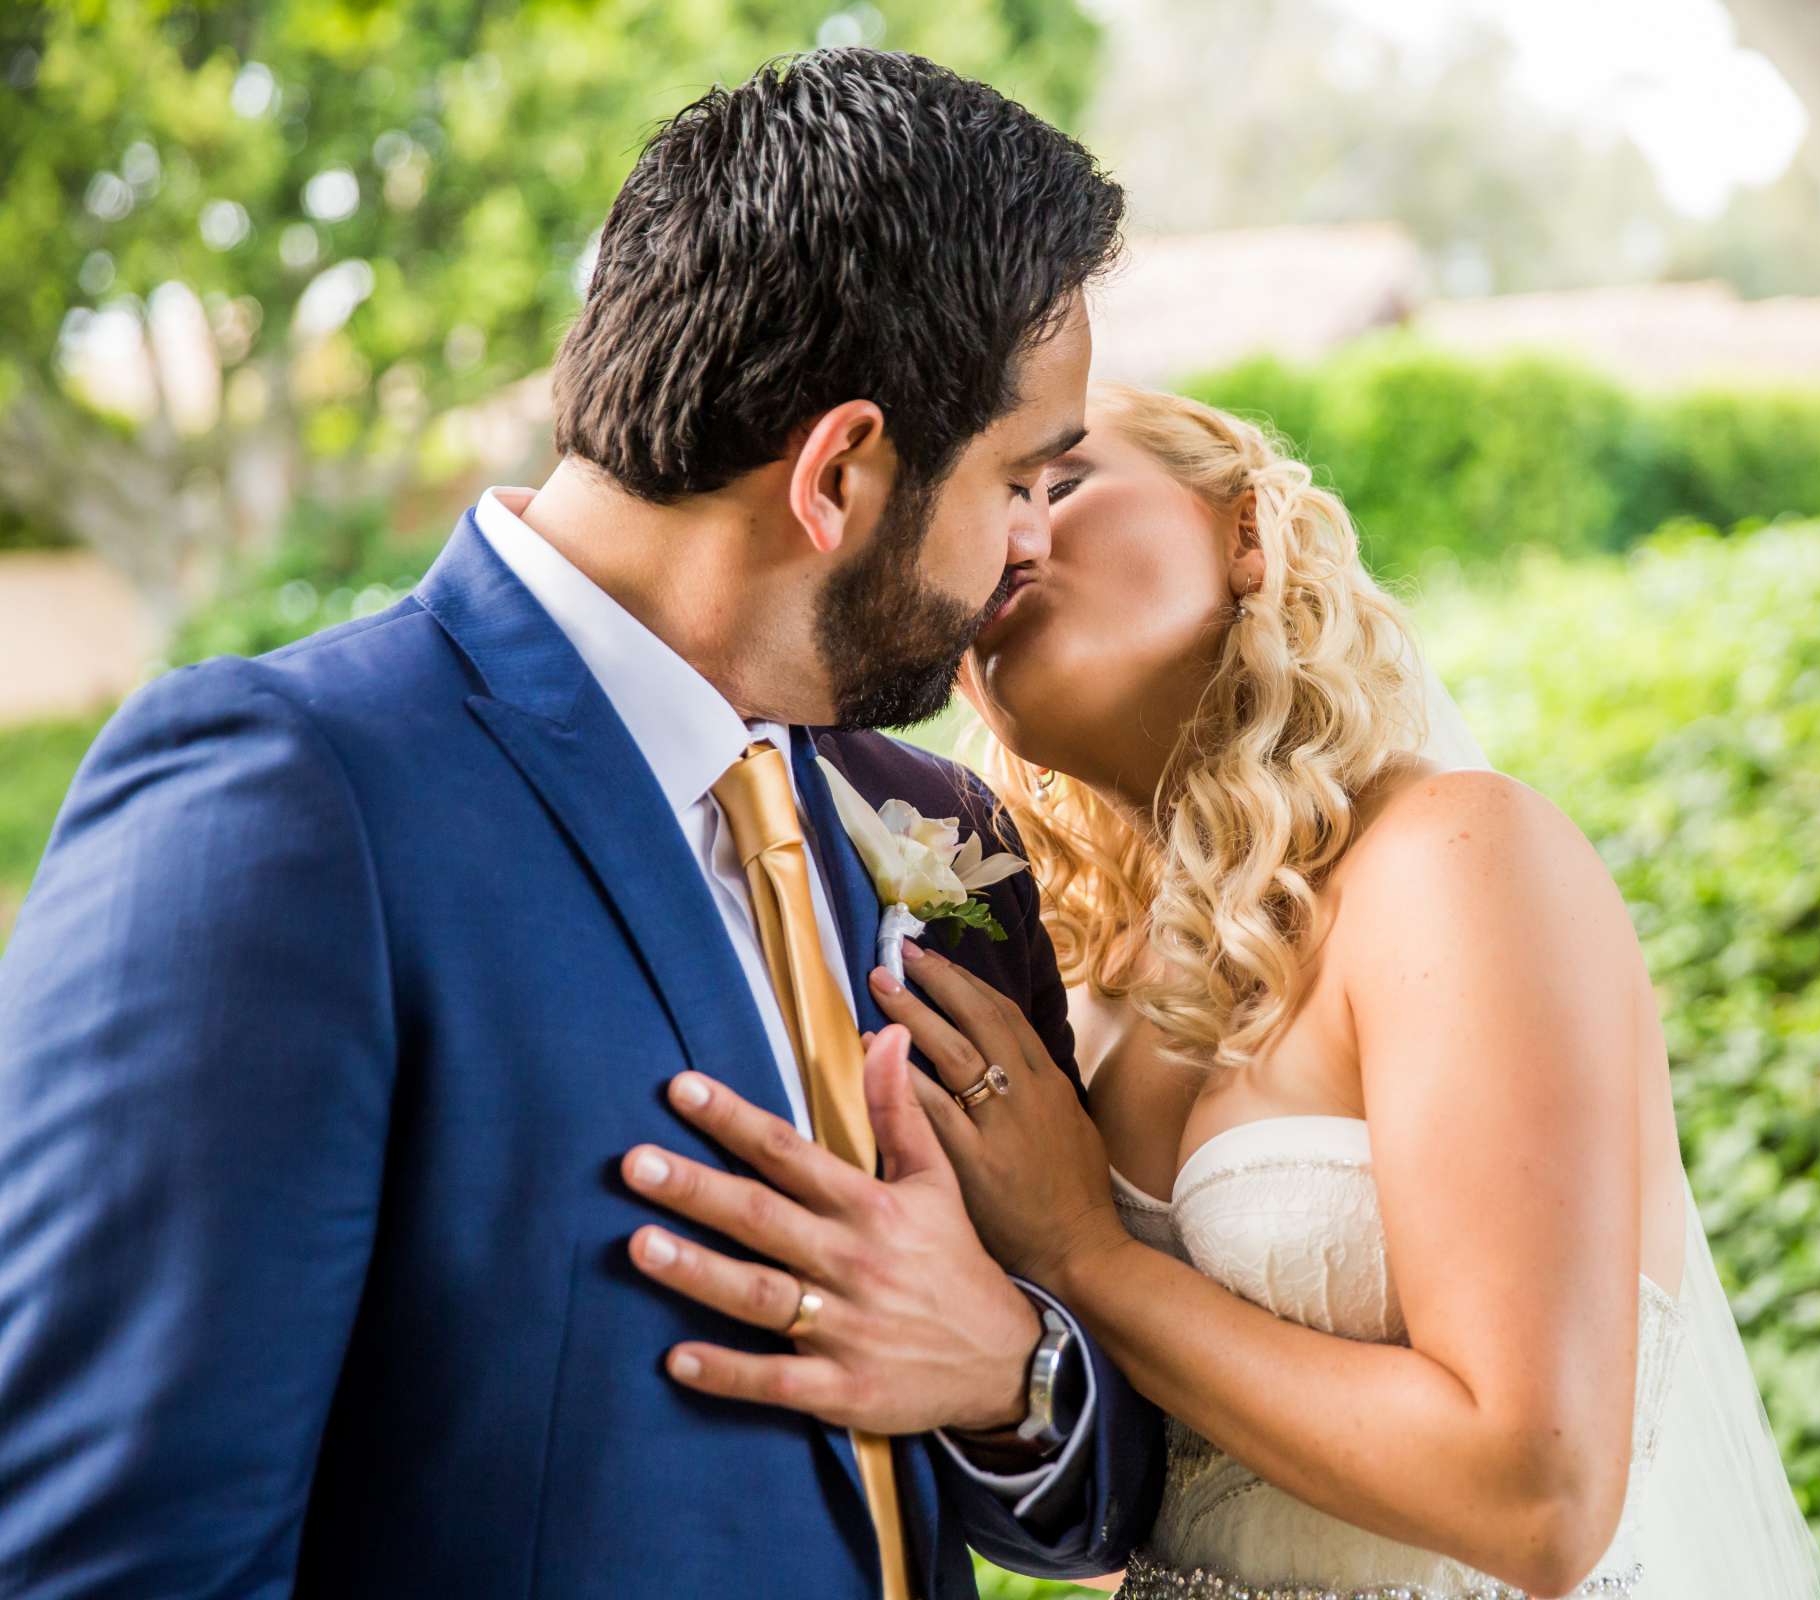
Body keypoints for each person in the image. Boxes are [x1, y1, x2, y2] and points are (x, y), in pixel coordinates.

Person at [0, 52, 1162, 1599]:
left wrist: (1013, 1367)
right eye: (1022, 479)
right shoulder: (286, 801)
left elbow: (1091, 1496)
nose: (1030, 547)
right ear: (838, 474)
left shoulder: (931, 827)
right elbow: (117, 1561)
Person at [649, 385, 1820, 1596]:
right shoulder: (1068, 987)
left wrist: (1084, 1253)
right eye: (984, 516)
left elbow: (1537, 1494)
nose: (1014, 536)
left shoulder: (1453, 858)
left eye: (1058, 485)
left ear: (1246, 532)